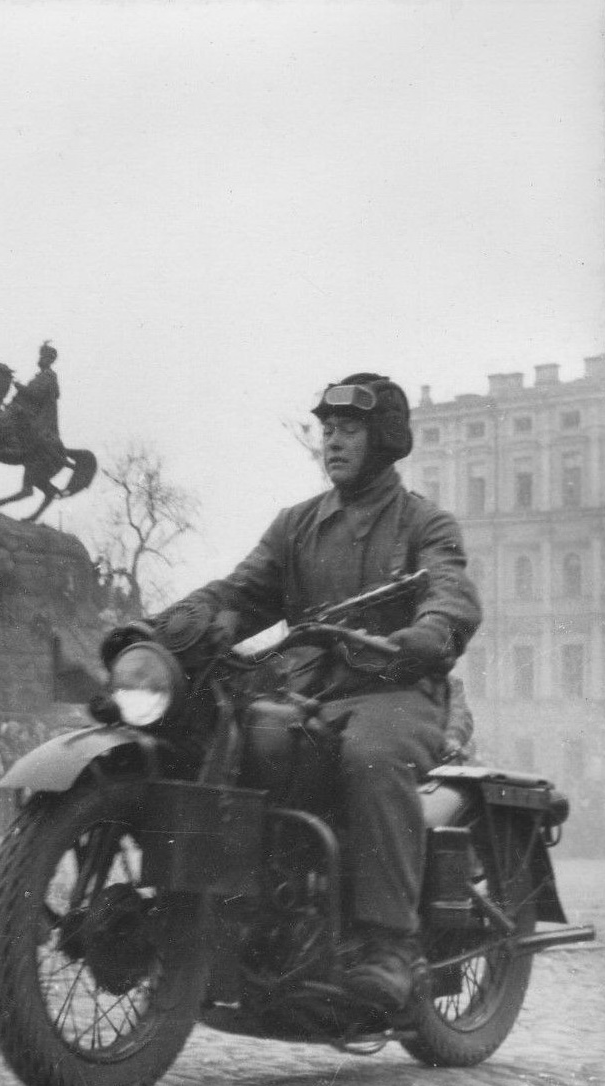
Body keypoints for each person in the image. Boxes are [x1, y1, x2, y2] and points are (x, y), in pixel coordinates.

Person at [151, 373, 481, 1013]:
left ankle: (389, 943)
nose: (332, 441)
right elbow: (241, 594)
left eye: (349, 429)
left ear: (384, 438)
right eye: (327, 429)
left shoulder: (426, 523)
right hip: (308, 693)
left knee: (372, 759)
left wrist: (431, 631)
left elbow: (451, 588)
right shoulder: (297, 526)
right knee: (225, 742)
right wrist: (174, 625)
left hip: (396, 688)